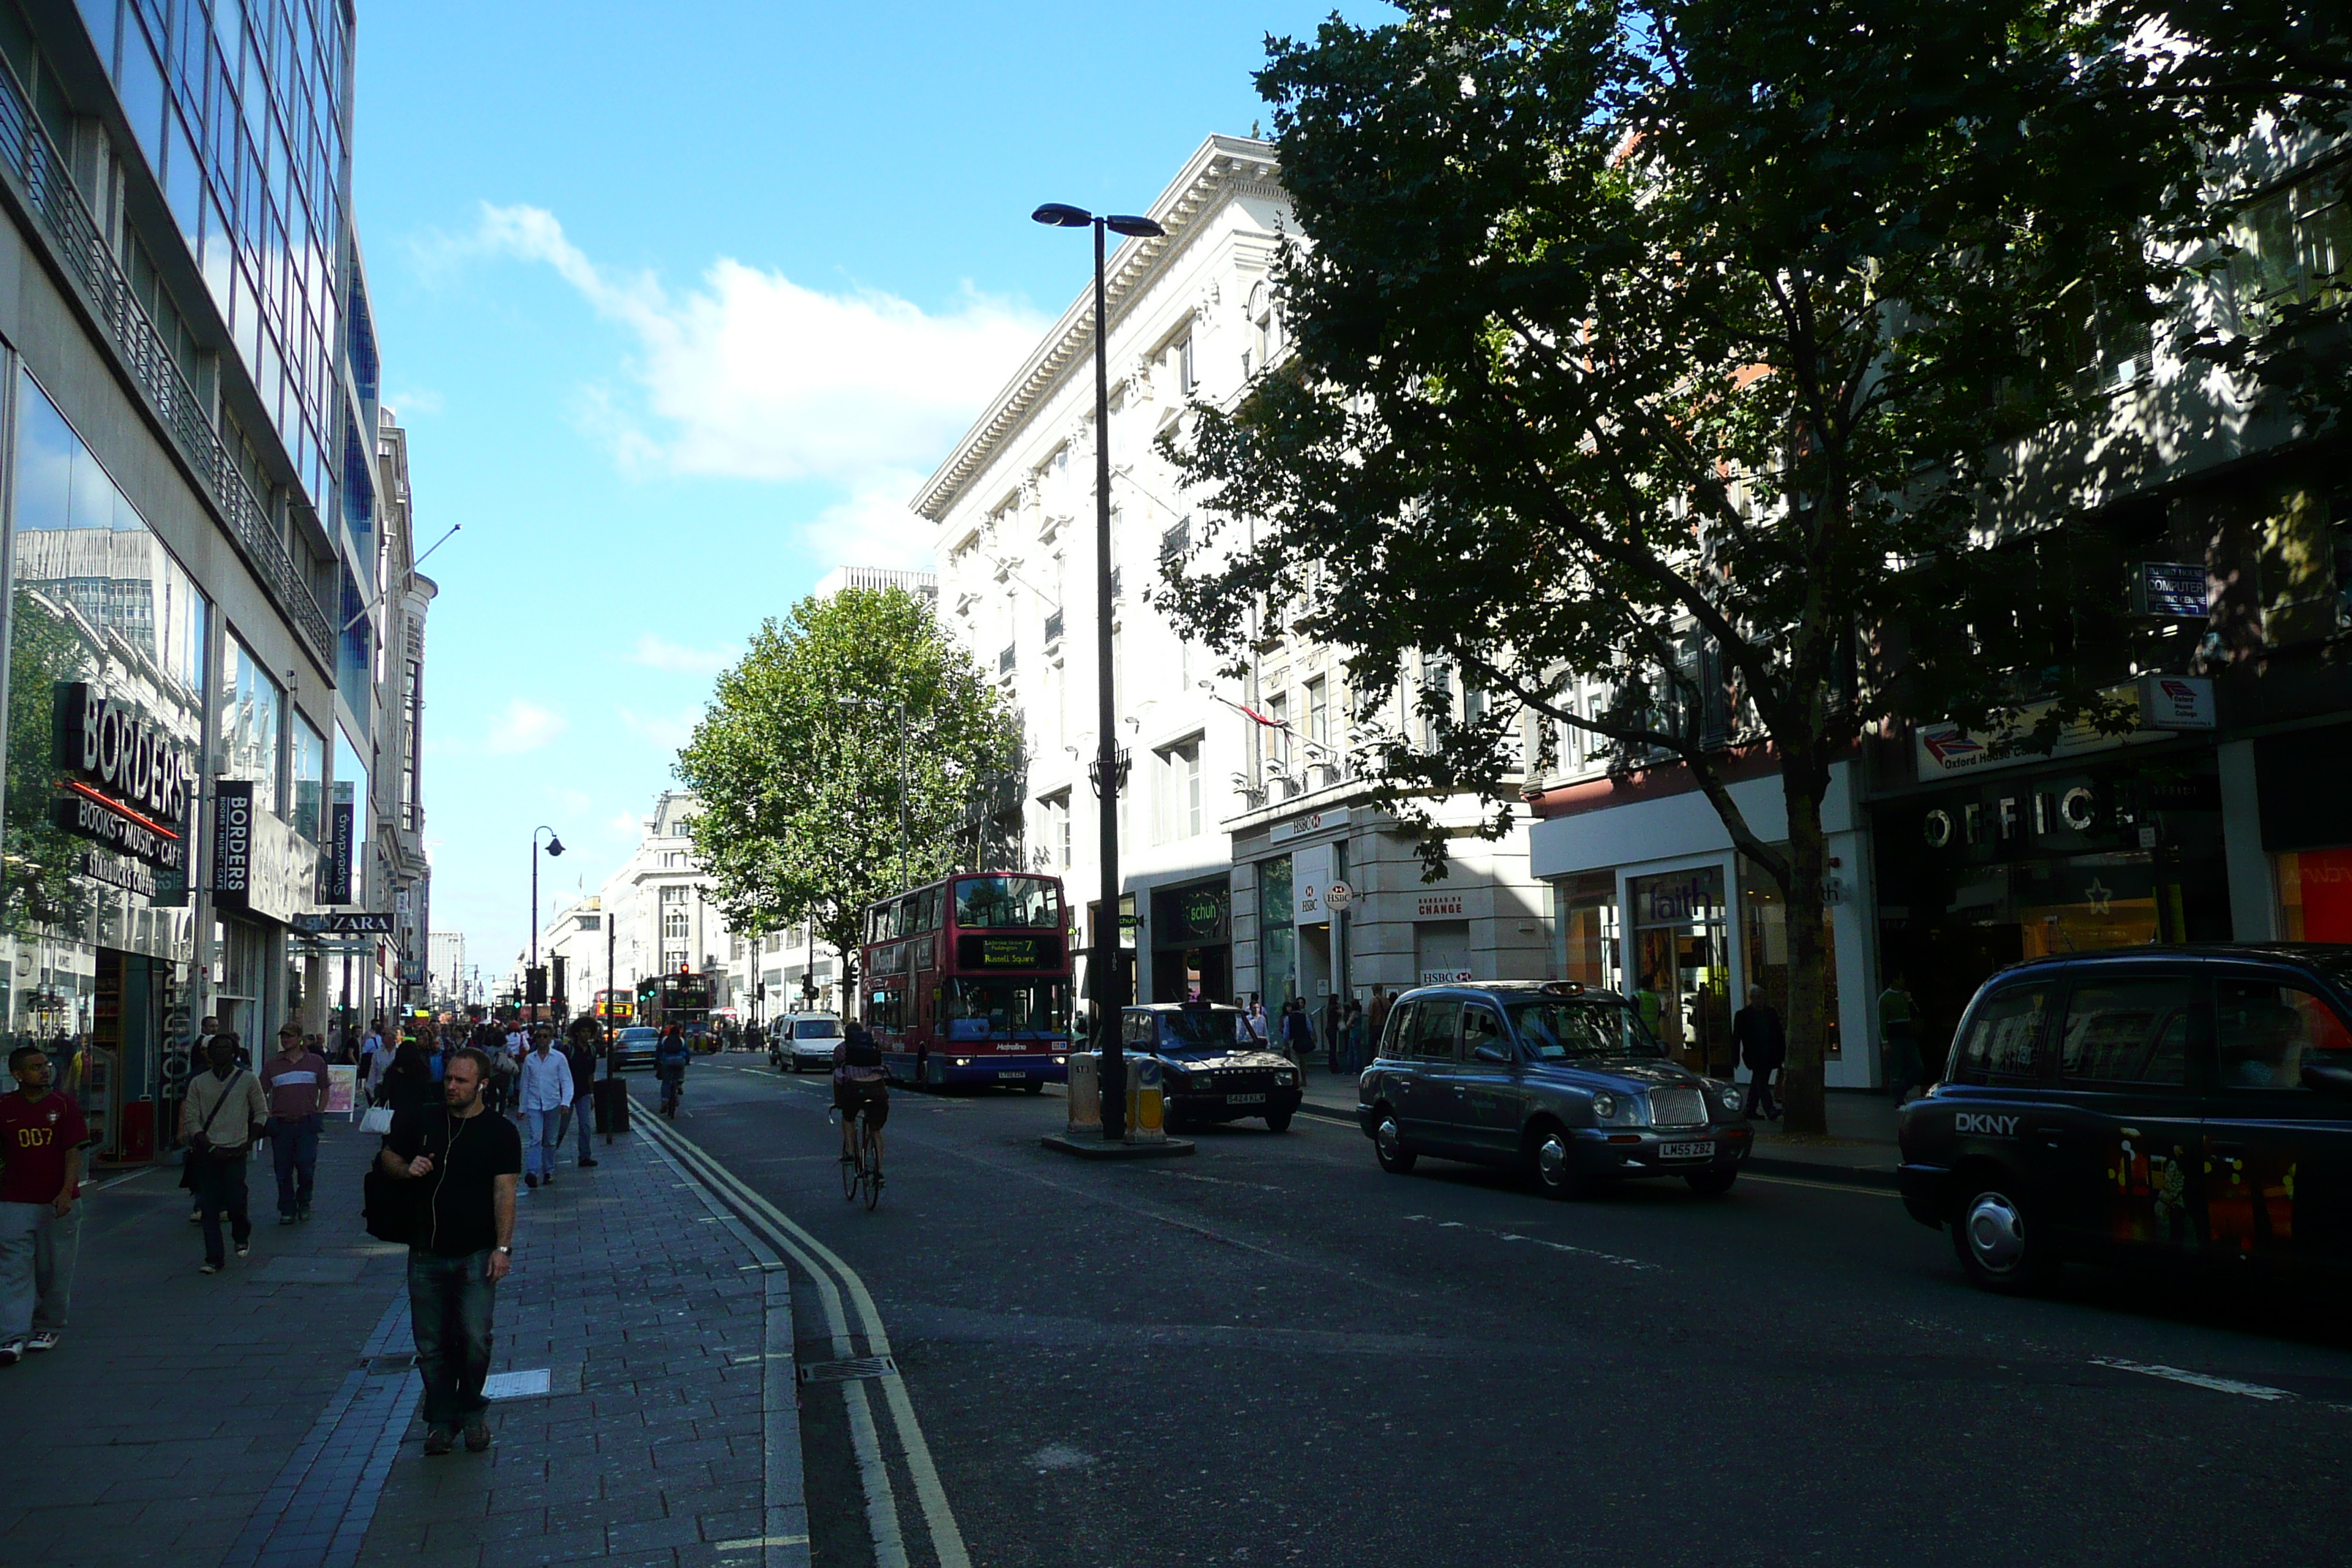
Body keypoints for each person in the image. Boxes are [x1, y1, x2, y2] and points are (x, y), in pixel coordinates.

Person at [377, 1048, 521, 1456]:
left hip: (476, 1253)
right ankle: (441, 1422)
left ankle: (472, 1412)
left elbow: (505, 1191)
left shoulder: (499, 1132)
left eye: (461, 1081)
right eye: (449, 1080)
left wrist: (503, 1247)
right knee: (431, 1345)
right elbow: (387, 1154)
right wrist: (406, 1169)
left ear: (482, 1086)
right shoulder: (423, 1119)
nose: (452, 1087)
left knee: (475, 1338)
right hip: (426, 1253)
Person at [0, 1045, 90, 1363]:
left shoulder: (64, 1106)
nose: (44, 1071)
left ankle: (49, 1325)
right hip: (14, 1201)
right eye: (35, 1067)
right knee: (13, 1268)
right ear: (18, 1074)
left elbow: (72, 1152)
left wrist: (67, 1191)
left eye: (46, 1065)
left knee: (53, 1269)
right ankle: (11, 1336)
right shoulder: (4, 1107)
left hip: (57, 1203)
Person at [178, 1035, 267, 1275]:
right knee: (209, 1207)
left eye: (225, 1048)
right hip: (207, 1152)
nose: (219, 1053)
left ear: (234, 1052)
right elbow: (192, 1118)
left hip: (236, 1149)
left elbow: (261, 1112)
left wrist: (249, 1142)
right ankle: (214, 1257)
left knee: (237, 1201)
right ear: (208, 1053)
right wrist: (205, 1143)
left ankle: (241, 1234)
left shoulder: (247, 1079)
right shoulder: (198, 1082)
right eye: (215, 1048)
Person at [260, 1022, 331, 1224]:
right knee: (283, 1170)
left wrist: (319, 1111)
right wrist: (267, 1114)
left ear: (299, 1038)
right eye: (283, 1036)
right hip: (281, 1124)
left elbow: (325, 1088)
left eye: (289, 1036)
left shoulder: (315, 1061)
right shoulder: (272, 1065)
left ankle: (304, 1200)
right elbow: (261, 1091)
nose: (285, 1040)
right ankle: (287, 1208)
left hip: (307, 1122)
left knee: (306, 1166)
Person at [515, 1028, 574, 1191]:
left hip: (553, 1103)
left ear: (550, 1039)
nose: (542, 1039)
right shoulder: (530, 1060)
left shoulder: (559, 1058)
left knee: (550, 1139)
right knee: (535, 1138)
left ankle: (548, 1171)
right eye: (539, 1036)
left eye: (545, 1036)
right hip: (534, 1104)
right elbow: (525, 1084)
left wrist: (566, 1102)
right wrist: (522, 1107)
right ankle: (532, 1172)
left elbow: (566, 1081)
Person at [832, 1022, 889, 1174]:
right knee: (876, 1130)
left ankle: (850, 1151)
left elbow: (837, 1069)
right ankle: (879, 1170)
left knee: (848, 1118)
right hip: (877, 1090)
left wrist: (839, 1101)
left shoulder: (841, 1049)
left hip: (854, 1090)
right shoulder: (873, 1046)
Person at [1732, 984, 1786, 1120]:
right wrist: (1735, 1056)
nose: (1760, 1000)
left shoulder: (1770, 1013)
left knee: (1758, 1081)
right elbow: (1736, 1037)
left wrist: (1782, 1054)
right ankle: (1770, 1109)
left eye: (1762, 997)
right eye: (1757, 998)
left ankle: (1750, 1110)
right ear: (1752, 998)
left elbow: (1779, 1035)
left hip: (1769, 1054)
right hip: (1755, 1055)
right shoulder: (1743, 1015)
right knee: (1761, 1081)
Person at [560, 1019, 601, 1169]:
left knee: (585, 1125)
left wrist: (591, 1095)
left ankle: (585, 1156)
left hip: (583, 1092)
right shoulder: (568, 1050)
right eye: (584, 1031)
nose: (586, 1034)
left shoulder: (591, 1050)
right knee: (562, 1127)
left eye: (589, 1032)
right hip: (568, 1093)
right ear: (577, 1032)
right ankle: (550, 1151)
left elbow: (591, 1074)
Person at [1880, 975, 1924, 1104]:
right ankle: (1898, 1099)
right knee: (1896, 1069)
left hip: (1908, 1036)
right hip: (1895, 1038)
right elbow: (1882, 1021)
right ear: (1894, 980)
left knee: (1918, 1068)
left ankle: (1901, 1089)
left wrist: (1910, 1000)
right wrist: (1885, 1041)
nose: (1903, 981)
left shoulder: (1904, 996)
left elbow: (1916, 1012)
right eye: (1900, 978)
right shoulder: (1885, 999)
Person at [380, 1038, 440, 1117]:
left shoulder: (392, 1072)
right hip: (417, 1113)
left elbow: (385, 1094)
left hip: (396, 1113)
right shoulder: (422, 1072)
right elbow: (426, 1094)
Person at [655, 1025, 691, 1118]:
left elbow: (658, 1051)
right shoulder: (682, 1040)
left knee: (666, 1082)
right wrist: (687, 1061)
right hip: (679, 1060)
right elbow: (687, 1053)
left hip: (667, 1060)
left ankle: (664, 1101)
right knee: (681, 1070)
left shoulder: (664, 1040)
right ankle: (679, 1084)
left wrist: (658, 1060)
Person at [1280, 997, 1314, 1066]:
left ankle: (1298, 1076)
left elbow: (1286, 1033)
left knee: (1295, 1060)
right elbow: (1310, 1029)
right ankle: (1304, 1075)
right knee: (1303, 1060)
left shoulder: (1288, 1018)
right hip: (1304, 1040)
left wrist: (1285, 1042)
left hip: (1293, 1041)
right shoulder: (1305, 1016)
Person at [1342, 999, 1368, 1071]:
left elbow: (1348, 1023)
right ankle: (1356, 1069)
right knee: (1357, 1051)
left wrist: (1350, 1025)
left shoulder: (1354, 1013)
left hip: (1353, 1033)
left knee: (1352, 1052)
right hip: (1358, 1032)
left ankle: (1352, 1069)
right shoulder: (1359, 1013)